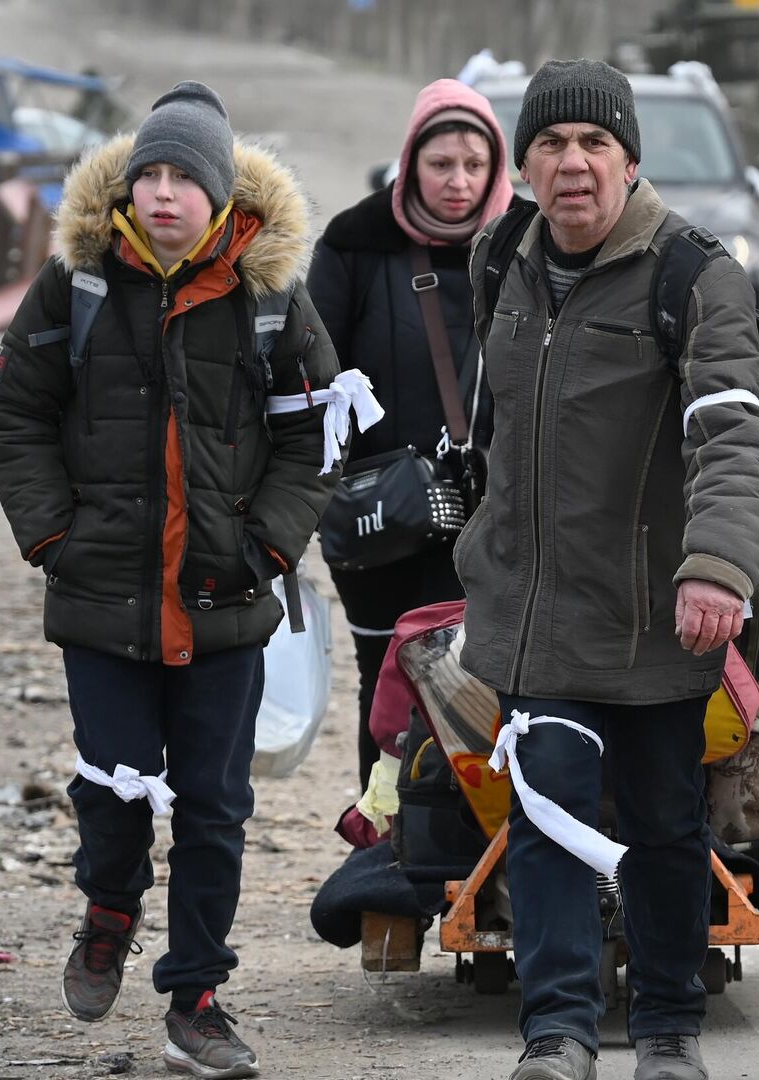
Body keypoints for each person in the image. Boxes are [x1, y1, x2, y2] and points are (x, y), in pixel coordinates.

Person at [0, 80, 341, 1079]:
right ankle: (107, 909)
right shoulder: (80, 285)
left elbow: (316, 435)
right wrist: (53, 534)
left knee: (216, 809)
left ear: (223, 196)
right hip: (102, 601)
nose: (167, 194)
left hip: (225, 605)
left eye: (188, 178)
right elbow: (11, 406)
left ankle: (199, 999)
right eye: (153, 176)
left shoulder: (271, 302)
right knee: (113, 785)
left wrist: (267, 547)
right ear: (128, 190)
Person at [458, 58, 759, 1080]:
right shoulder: (499, 256)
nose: (572, 165)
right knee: (546, 816)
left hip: (657, 615)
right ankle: (555, 1034)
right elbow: (499, 422)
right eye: (550, 145)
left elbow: (736, 434)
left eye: (594, 144)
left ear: (629, 160)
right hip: (536, 610)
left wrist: (718, 566)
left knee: (661, 826)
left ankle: (668, 1030)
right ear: (527, 163)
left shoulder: (694, 273)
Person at [307, 77, 514, 788]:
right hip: (383, 521)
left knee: (490, 690)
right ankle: (389, 856)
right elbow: (311, 380)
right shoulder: (354, 245)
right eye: (440, 165)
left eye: (474, 166)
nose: (458, 183)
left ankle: (474, 864)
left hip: (500, 520)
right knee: (390, 690)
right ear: (410, 163)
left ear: (496, 169)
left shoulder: (531, 246)